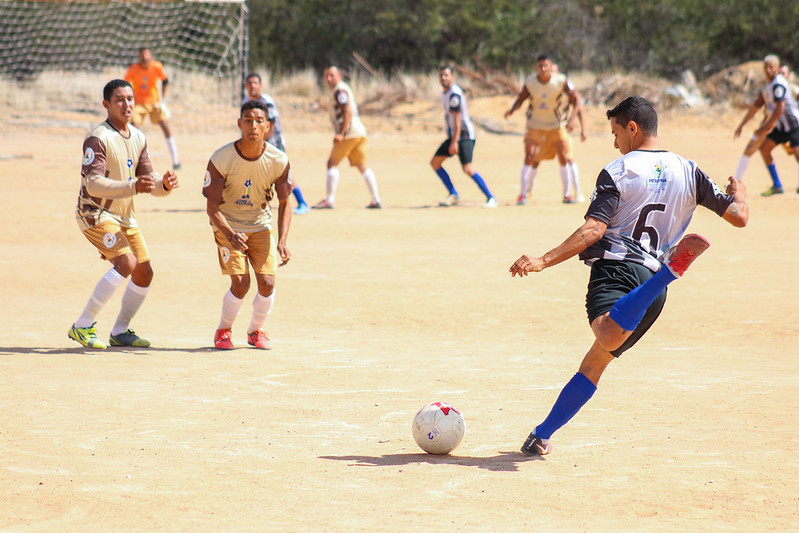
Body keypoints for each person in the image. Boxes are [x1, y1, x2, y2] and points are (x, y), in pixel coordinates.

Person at [509, 96, 748, 456]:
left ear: (632, 128)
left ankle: (670, 272)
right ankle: (541, 436)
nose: (615, 142)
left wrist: (543, 260)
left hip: (619, 269)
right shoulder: (689, 171)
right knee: (596, 360)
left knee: (605, 332)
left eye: (616, 133)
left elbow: (594, 230)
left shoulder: (619, 171)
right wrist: (740, 195)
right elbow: (739, 217)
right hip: (649, 289)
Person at [68, 79, 179, 350]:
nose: (127, 104)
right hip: (95, 213)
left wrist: (163, 185)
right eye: (119, 100)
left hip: (125, 216)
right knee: (126, 263)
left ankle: (119, 331)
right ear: (106, 105)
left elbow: (147, 180)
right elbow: (93, 184)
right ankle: (82, 325)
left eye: (130, 99)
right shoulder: (98, 138)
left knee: (144, 272)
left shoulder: (138, 137)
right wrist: (133, 186)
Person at [203, 99, 293, 350]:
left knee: (268, 283)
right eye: (248, 120)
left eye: (259, 121)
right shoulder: (221, 159)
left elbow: (285, 203)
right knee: (241, 283)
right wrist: (230, 234)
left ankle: (255, 331)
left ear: (268, 127)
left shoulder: (278, 160)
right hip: (227, 225)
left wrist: (282, 241)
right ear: (239, 124)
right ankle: (224, 330)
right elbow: (212, 207)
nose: (253, 125)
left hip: (260, 225)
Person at [505, 54, 586, 204]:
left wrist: (573, 120)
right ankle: (523, 194)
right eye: (540, 66)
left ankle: (567, 194)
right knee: (530, 156)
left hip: (556, 125)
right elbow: (521, 98)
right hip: (535, 125)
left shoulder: (561, 81)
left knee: (564, 156)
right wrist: (511, 110)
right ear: (536, 67)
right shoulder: (531, 83)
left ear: (550, 67)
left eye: (545, 66)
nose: (543, 69)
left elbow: (577, 100)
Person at [312, 65, 381, 210]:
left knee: (332, 163)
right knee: (362, 165)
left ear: (339, 76)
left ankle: (329, 200)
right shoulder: (339, 90)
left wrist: (341, 133)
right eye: (326, 76)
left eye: (332, 75)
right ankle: (376, 199)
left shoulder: (340, 90)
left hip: (349, 134)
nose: (329, 79)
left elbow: (347, 111)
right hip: (359, 132)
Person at [431, 65, 497, 208]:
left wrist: (454, 142)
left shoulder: (454, 94)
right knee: (435, 162)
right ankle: (453, 194)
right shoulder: (445, 93)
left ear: (452, 77)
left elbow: (457, 119)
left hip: (464, 136)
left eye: (446, 75)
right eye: (441, 75)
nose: (443, 78)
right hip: (454, 136)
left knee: (468, 169)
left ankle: (491, 198)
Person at [244, 72, 310, 215]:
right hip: (256, 144)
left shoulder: (266, 101)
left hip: (274, 143)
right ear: (245, 86)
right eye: (250, 83)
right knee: (252, 171)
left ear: (260, 85)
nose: (252, 86)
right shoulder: (245, 102)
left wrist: (260, 142)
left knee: (283, 174)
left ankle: (302, 202)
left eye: (255, 83)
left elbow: (271, 125)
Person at [733, 54, 799, 195]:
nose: (768, 70)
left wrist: (765, 127)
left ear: (777, 68)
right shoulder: (767, 87)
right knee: (764, 149)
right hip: (780, 127)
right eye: (766, 67)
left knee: (796, 151)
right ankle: (777, 185)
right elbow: (755, 107)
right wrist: (741, 125)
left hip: (794, 124)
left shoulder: (778, 84)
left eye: (771, 67)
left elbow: (780, 108)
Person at [124, 47, 181, 170]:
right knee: (134, 129)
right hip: (138, 103)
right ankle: (137, 161)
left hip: (154, 102)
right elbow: (125, 84)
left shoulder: (157, 66)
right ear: (139, 57)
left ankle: (176, 161)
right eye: (142, 55)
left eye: (147, 54)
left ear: (150, 56)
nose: (145, 57)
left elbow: (165, 80)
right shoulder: (133, 69)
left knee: (165, 126)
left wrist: (163, 99)